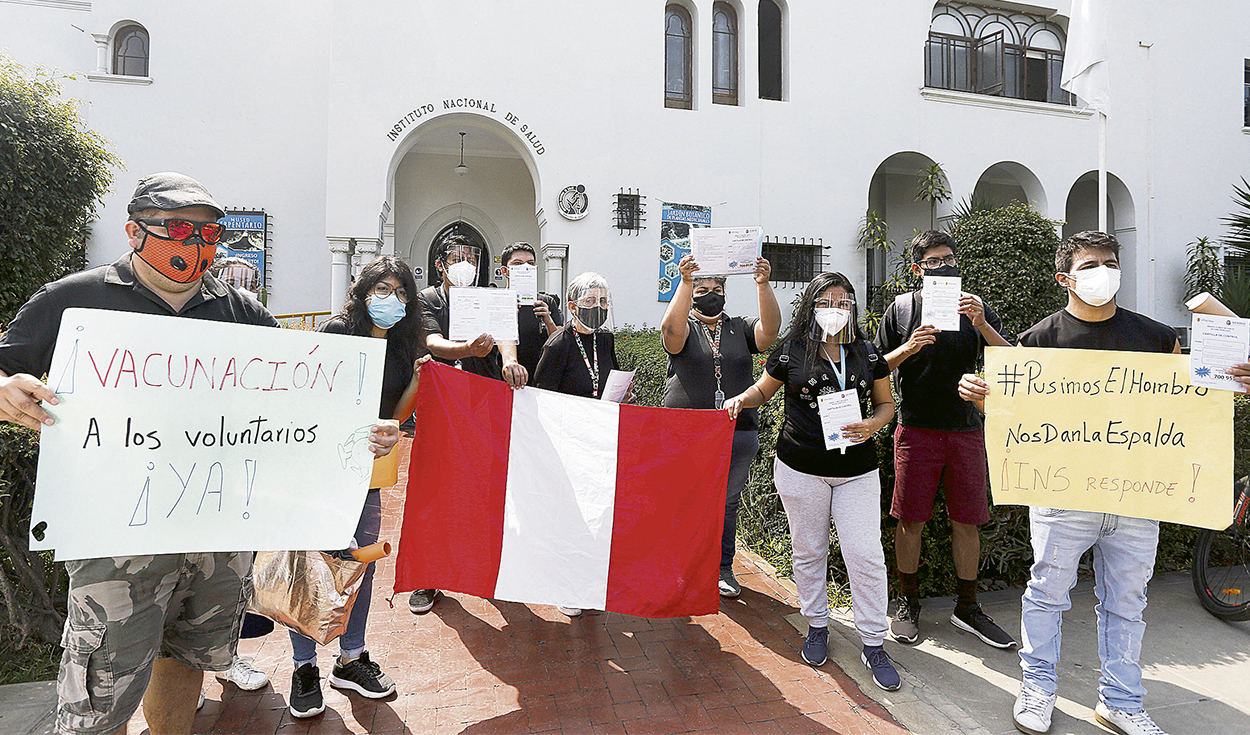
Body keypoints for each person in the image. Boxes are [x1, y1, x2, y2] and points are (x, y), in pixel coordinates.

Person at [0, 173, 398, 735]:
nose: (194, 243)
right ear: (134, 232)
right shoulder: (73, 299)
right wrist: (4, 390)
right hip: (115, 540)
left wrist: (358, 430)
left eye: (209, 233)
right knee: (100, 690)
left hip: (215, 535)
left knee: (185, 657)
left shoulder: (242, 311)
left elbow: (297, 403)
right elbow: (5, 366)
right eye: (177, 228)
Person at [959, 231, 1178, 735]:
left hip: (1135, 494)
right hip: (1062, 494)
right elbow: (1020, 417)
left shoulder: (1157, 337)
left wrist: (1232, 379)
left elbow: (1189, 405)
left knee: (1128, 604)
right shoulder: (1038, 342)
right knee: (1047, 594)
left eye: (1111, 263)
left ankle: (1121, 702)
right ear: (1065, 279)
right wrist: (986, 399)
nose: (1105, 272)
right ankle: (1037, 688)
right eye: (1091, 265)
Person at [724, 272, 900, 691]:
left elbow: (886, 404)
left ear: (853, 308)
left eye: (844, 302)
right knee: (808, 550)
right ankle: (817, 624)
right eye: (826, 302)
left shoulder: (867, 352)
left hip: (857, 471)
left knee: (865, 554)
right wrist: (742, 399)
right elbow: (763, 391)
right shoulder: (791, 351)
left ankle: (873, 641)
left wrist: (873, 425)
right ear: (811, 306)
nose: (835, 310)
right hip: (801, 468)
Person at [286, 256, 426, 718]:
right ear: (364, 292)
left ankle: (351, 659)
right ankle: (304, 666)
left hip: (366, 473)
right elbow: (310, 397)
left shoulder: (403, 346)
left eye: (401, 292)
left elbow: (396, 415)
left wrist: (417, 381)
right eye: (383, 289)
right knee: (313, 565)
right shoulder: (337, 332)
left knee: (359, 564)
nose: (393, 299)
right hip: (318, 469)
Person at [873, 230, 1014, 648]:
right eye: (933, 261)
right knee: (910, 519)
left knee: (967, 520)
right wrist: (908, 348)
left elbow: (1012, 359)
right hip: (916, 429)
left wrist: (981, 322)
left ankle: (967, 606)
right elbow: (874, 366)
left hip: (967, 429)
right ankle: (908, 601)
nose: (943, 266)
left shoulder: (975, 307)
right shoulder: (902, 308)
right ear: (917, 269)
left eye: (949, 259)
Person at [660, 253, 780, 598]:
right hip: (688, 431)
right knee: (687, 499)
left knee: (727, 502)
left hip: (736, 430)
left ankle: (722, 567)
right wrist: (685, 282)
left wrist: (763, 284)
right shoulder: (685, 323)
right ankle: (682, 565)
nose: (710, 294)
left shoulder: (739, 327)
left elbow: (769, 333)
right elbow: (670, 334)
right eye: (702, 290)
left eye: (717, 289)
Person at [410, 234, 502, 615]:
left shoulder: (486, 298)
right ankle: (428, 576)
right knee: (435, 491)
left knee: (481, 488)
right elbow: (432, 342)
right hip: (440, 407)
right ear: (440, 265)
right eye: (456, 257)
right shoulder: (427, 301)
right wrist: (466, 349)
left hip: (479, 406)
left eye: (471, 258)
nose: (465, 264)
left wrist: (508, 356)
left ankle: (482, 568)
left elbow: (506, 339)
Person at [532, 271, 628, 617]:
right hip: (568, 441)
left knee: (595, 512)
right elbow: (542, 397)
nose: (597, 307)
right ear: (572, 307)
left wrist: (622, 393)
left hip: (599, 438)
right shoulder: (558, 344)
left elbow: (608, 376)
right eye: (589, 301)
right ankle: (565, 585)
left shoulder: (605, 339)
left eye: (602, 301)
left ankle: (587, 579)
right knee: (569, 515)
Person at [498, 241, 563, 386]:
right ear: (505, 271)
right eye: (518, 264)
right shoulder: (496, 300)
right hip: (505, 377)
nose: (525, 268)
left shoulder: (546, 302)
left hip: (539, 378)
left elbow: (561, 343)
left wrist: (548, 320)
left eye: (530, 264)